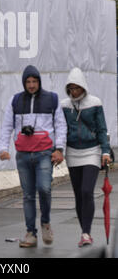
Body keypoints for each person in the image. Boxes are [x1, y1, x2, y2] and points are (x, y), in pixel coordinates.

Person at [0, 65, 67, 248]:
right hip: (23, 154)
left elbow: (60, 125)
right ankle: (30, 233)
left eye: (34, 81)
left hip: (45, 153)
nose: (31, 85)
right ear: (24, 83)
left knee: (44, 188)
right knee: (28, 195)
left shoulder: (52, 99)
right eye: (28, 82)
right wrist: (2, 148)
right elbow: (6, 126)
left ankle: (45, 223)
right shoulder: (15, 100)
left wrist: (59, 149)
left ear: (39, 81)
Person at [61, 67, 111, 247]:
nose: (74, 91)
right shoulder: (64, 105)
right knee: (78, 195)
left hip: (92, 151)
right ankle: (85, 233)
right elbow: (61, 129)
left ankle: (86, 233)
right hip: (72, 152)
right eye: (71, 88)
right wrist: (58, 149)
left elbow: (102, 128)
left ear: (83, 87)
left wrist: (105, 151)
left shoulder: (95, 102)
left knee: (86, 191)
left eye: (77, 88)